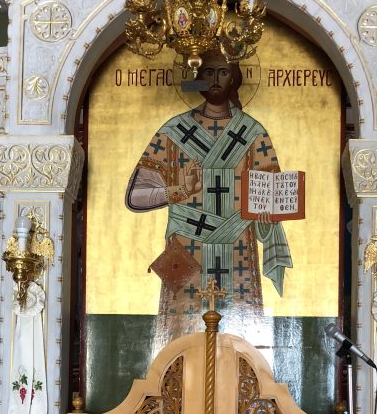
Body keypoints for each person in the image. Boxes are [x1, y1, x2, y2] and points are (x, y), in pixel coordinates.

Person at [125, 53, 292, 344]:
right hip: (187, 249)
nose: (215, 79)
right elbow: (136, 197)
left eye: (223, 72)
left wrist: (267, 217)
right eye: (208, 72)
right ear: (197, 78)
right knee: (179, 339)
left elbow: (271, 198)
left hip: (237, 249)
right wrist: (179, 190)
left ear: (235, 78)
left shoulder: (253, 133)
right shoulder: (173, 132)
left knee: (240, 341)